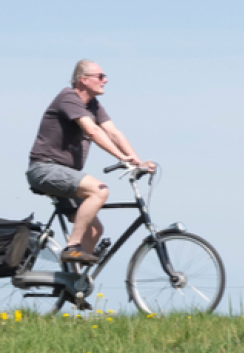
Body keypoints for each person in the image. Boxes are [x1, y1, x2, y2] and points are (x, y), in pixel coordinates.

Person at [25, 60, 155, 265]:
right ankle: (72, 248)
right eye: (101, 76)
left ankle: (71, 283)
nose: (106, 80)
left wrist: (138, 162)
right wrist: (121, 157)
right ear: (83, 80)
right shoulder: (68, 98)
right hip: (45, 169)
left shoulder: (92, 105)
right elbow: (93, 131)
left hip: (64, 173)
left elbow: (113, 132)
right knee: (99, 190)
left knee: (94, 230)